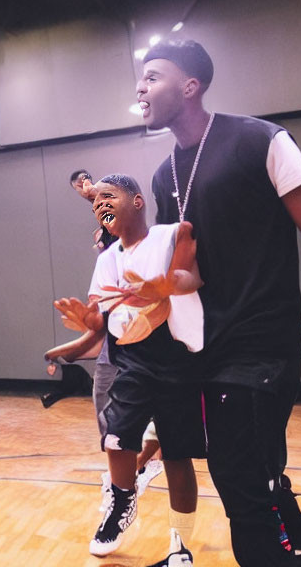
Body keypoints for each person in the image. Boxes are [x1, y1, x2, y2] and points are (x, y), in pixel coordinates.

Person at [142, 37, 301, 566]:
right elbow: (188, 270)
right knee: (248, 460)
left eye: (152, 76)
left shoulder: (261, 139)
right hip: (205, 343)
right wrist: (143, 293)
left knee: (237, 468)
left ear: (190, 86)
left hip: (262, 338)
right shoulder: (162, 176)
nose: (140, 87)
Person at [53, 174, 203, 564]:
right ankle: (122, 502)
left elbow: (192, 277)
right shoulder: (108, 260)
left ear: (137, 201)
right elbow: (102, 321)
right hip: (131, 356)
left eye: (108, 196)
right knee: (116, 438)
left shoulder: (173, 234)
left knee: (176, 455)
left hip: (177, 356)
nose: (100, 204)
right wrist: (88, 321)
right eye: (95, 202)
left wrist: (165, 284)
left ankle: (180, 545)